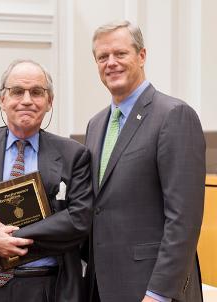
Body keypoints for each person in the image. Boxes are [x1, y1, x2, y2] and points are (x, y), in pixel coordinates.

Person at [0, 59, 93, 302]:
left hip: (48, 287)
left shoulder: (74, 155)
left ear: (50, 102)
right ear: (2, 99)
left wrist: (11, 237)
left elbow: (79, 219)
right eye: (17, 91)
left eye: (36, 92)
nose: (26, 100)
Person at [84, 20, 205, 302]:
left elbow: (184, 219)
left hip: (153, 290)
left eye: (120, 53)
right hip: (102, 287)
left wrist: (158, 293)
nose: (111, 63)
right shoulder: (95, 124)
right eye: (103, 57)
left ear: (142, 56)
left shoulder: (174, 115)